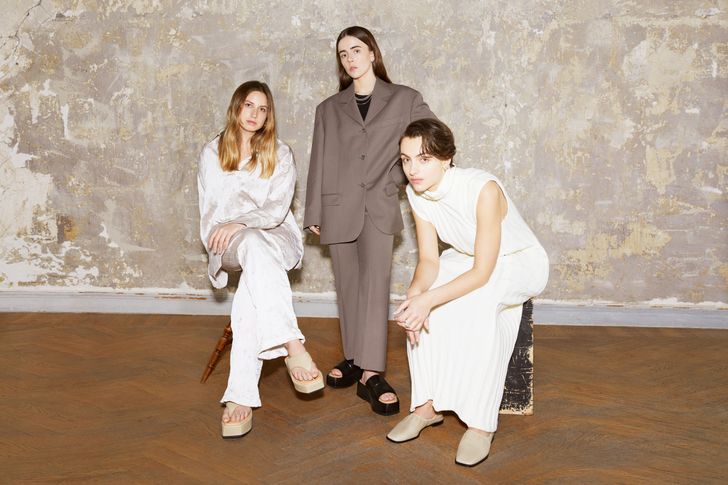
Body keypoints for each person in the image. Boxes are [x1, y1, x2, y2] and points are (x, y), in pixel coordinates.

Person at [386, 118, 549, 466]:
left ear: (446, 159)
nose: (413, 169)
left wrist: (429, 300)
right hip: (468, 256)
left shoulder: (482, 188)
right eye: (406, 159)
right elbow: (429, 260)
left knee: (477, 300)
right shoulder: (416, 192)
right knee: (421, 303)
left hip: (517, 260)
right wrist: (416, 295)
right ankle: (426, 406)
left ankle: (480, 424)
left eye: (424, 159)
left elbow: (482, 273)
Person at [304, 26, 437, 416]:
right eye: (343, 54)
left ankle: (371, 373)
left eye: (356, 50)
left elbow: (433, 138)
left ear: (372, 53)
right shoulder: (328, 109)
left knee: (375, 286)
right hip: (337, 206)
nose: (350, 59)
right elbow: (319, 159)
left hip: (378, 206)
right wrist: (314, 211)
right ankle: (354, 357)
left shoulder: (405, 99)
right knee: (347, 286)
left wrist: (398, 178)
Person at [197, 81, 323, 439]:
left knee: (252, 281)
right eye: (249, 105)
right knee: (251, 244)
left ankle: (239, 397)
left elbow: (276, 209)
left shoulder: (280, 152)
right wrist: (232, 228)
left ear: (269, 116)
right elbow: (211, 209)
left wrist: (242, 221)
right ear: (236, 107)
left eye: (263, 108)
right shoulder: (212, 152)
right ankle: (292, 344)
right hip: (227, 240)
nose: (255, 114)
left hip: (276, 235)